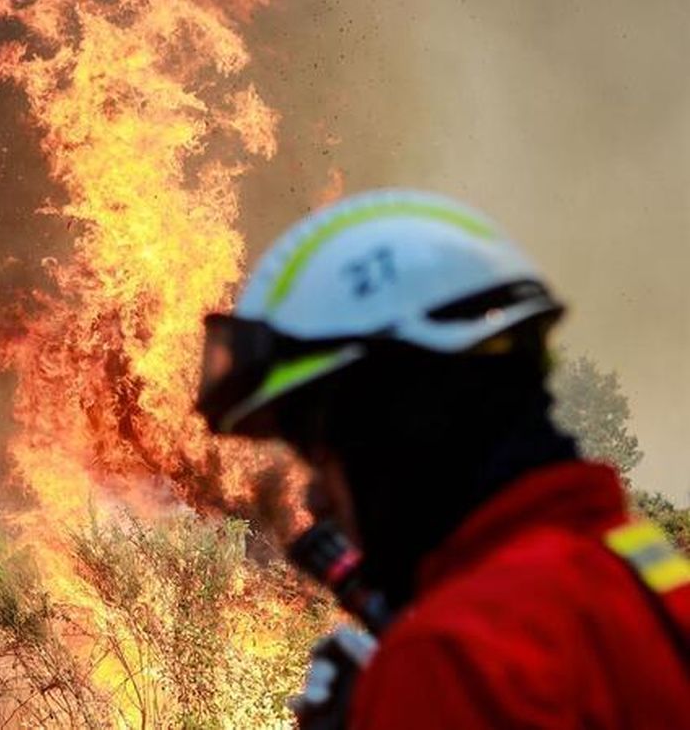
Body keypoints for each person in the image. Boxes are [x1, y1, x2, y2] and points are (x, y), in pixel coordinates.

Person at [195, 189, 690, 728]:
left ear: (397, 419)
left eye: (320, 454)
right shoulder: (641, 574)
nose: (314, 495)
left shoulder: (455, 655)